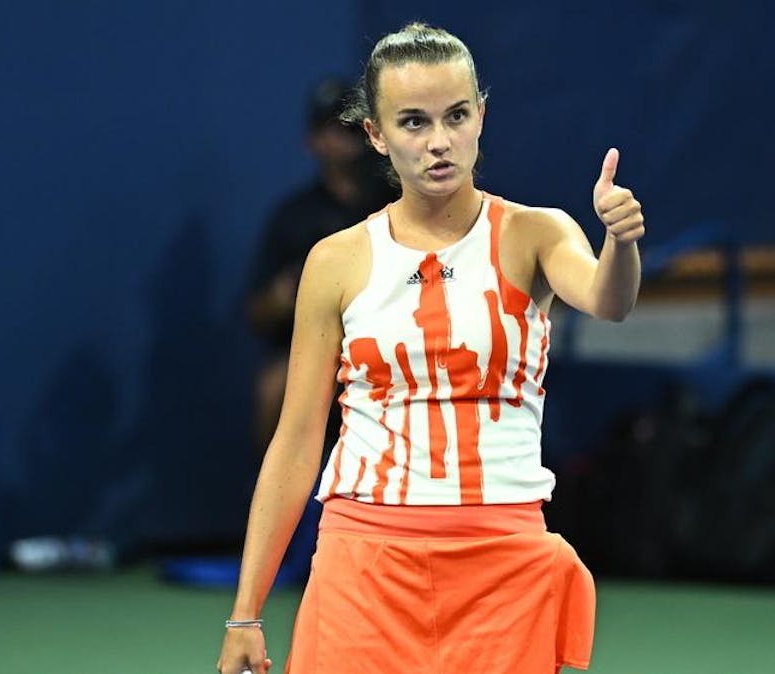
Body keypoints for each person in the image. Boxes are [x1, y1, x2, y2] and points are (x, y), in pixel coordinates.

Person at [218, 22, 645, 674]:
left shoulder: (538, 233)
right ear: (376, 135)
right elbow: (297, 440)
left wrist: (620, 242)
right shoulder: (335, 261)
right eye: (413, 122)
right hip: (362, 567)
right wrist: (245, 612)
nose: (439, 141)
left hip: (503, 566)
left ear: (481, 117)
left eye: (456, 116)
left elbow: (608, 299)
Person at [246, 77, 397, 462]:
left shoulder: (397, 205)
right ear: (311, 141)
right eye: (332, 127)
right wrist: (282, 295)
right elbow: (256, 313)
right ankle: (281, 494)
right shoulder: (293, 217)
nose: (343, 136)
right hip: (317, 348)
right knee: (274, 387)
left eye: (351, 125)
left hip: (391, 339)